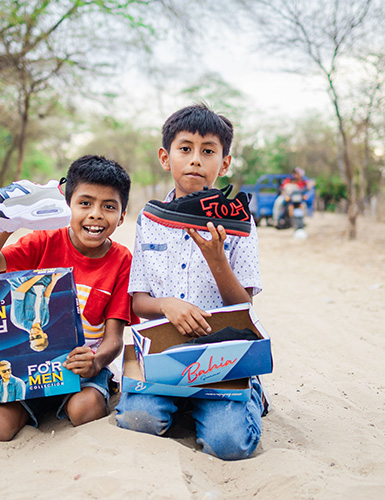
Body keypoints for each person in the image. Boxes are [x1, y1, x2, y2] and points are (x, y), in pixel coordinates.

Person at [115, 103, 267, 461]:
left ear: (225, 163)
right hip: (165, 351)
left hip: (221, 356)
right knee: (137, 419)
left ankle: (251, 392)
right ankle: (184, 400)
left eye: (208, 151)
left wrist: (217, 260)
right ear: (166, 158)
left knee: (229, 444)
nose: (195, 160)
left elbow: (243, 307)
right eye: (185, 149)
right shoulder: (151, 219)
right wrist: (166, 304)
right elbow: (138, 301)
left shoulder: (239, 224)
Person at [0, 155, 133, 441]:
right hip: (27, 366)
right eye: (85, 203)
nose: (96, 214)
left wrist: (96, 361)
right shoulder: (43, 241)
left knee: (86, 410)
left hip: (80, 370)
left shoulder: (122, 260)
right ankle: (26, 406)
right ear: (68, 206)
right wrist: (11, 222)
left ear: (122, 216)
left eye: (109, 207)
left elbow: (114, 339)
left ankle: (68, 402)